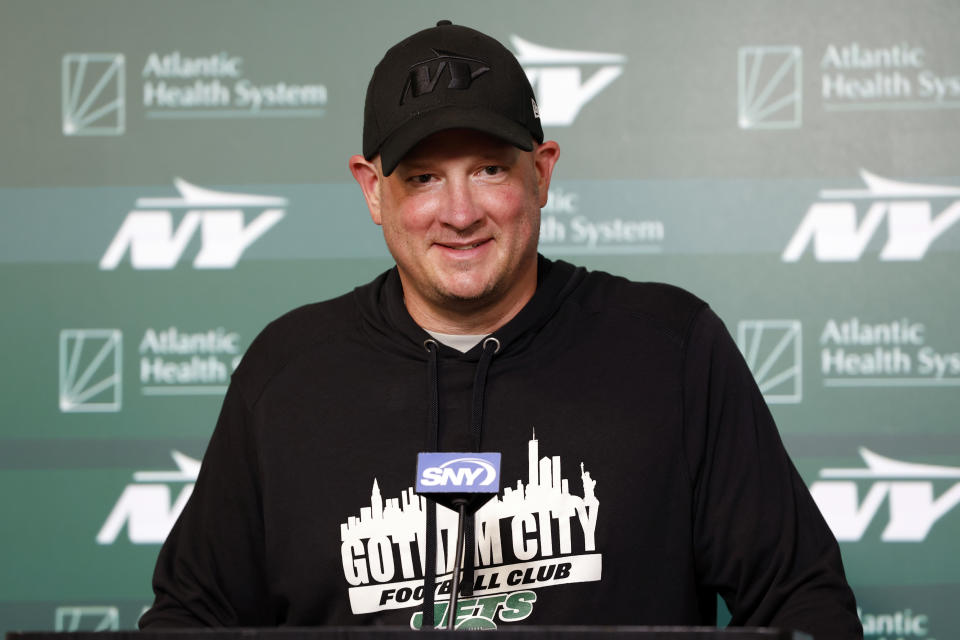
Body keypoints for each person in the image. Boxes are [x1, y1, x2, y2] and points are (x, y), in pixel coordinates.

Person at [139, 21, 863, 638]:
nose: (459, 213)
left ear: (542, 174)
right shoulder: (287, 374)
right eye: (423, 177)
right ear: (371, 189)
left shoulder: (670, 350)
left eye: (489, 168)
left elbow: (804, 602)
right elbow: (188, 619)